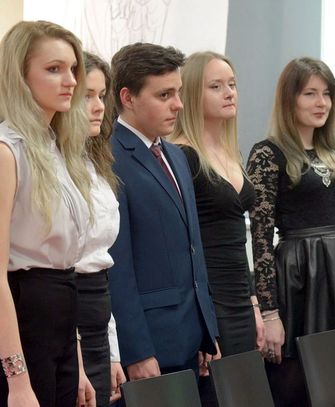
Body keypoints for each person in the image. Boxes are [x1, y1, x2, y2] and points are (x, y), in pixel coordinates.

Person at [247, 57, 335, 406]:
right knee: (295, 387)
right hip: (298, 281)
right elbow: (260, 240)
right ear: (289, 99)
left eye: (327, 93)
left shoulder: (334, 154)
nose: (322, 103)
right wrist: (269, 313)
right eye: (310, 93)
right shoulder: (267, 154)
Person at [107, 43, 219, 384]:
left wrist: (206, 329)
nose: (178, 104)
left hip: (190, 334)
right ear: (128, 98)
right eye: (164, 95)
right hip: (150, 342)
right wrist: (137, 350)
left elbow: (193, 247)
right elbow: (117, 266)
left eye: (178, 92)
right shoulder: (109, 157)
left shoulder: (177, 155)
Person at [0, 21, 92, 407]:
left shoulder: (58, 149)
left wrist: (78, 363)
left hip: (61, 318)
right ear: (20, 76)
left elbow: (64, 271)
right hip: (22, 319)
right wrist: (17, 382)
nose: (70, 81)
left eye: (73, 69)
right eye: (54, 69)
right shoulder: (7, 151)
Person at [168, 50, 263, 406]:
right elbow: (181, 247)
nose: (229, 93)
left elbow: (238, 242)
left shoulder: (230, 151)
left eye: (232, 85)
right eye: (216, 86)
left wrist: (254, 303)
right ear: (193, 93)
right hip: (209, 302)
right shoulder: (182, 155)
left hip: (239, 299)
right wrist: (201, 323)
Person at [74, 51, 126, 407]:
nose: (98, 107)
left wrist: (112, 351)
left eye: (102, 96)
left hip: (98, 317)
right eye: (87, 96)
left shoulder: (95, 161)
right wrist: (75, 358)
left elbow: (101, 263)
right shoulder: (49, 163)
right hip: (66, 322)